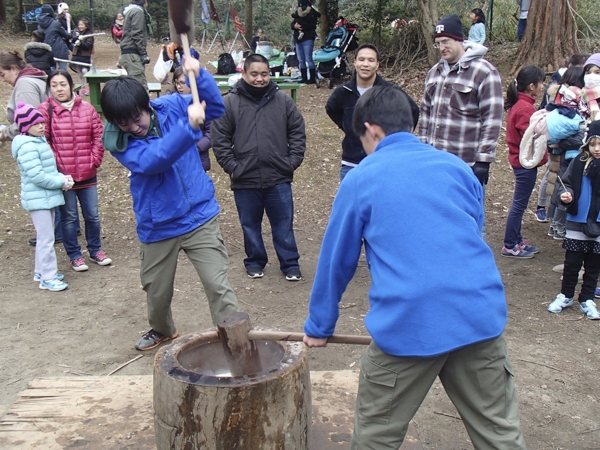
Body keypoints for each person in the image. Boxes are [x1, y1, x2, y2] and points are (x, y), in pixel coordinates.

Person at [303, 85, 527, 449]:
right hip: (479, 314)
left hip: (409, 324)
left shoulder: (361, 178)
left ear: (371, 130)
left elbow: (335, 261)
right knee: (500, 434)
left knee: (376, 435)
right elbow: (475, 234)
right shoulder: (457, 168)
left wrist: (319, 326)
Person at [100, 57, 239, 351]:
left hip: (199, 215)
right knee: (157, 290)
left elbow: (213, 109)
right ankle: (162, 329)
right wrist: (188, 128)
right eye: (124, 123)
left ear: (146, 106)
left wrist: (199, 76)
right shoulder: (118, 141)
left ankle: (233, 336)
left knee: (217, 283)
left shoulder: (172, 106)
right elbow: (154, 160)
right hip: (158, 224)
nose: (133, 127)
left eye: (137, 118)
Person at [212, 54, 305, 281]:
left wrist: (291, 161)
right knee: (250, 225)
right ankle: (255, 261)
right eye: (254, 74)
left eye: (264, 74)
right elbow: (220, 138)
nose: (259, 79)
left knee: (283, 224)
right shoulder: (230, 102)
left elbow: (297, 131)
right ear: (244, 73)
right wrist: (232, 167)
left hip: (278, 176)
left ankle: (290, 264)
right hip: (245, 176)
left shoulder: (283, 101)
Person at [419, 13, 503, 237]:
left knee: (471, 223)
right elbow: (425, 116)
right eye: (438, 44)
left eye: (446, 42)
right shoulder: (434, 73)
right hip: (435, 165)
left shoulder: (484, 72)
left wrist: (483, 160)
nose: (442, 48)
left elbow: (492, 118)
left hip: (465, 166)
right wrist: (422, 152)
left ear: (459, 40)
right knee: (435, 221)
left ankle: (474, 271)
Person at [38, 70, 111, 272]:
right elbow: (43, 141)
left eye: (63, 84)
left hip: (88, 171)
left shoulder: (87, 109)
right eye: (54, 85)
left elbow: (98, 136)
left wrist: (94, 160)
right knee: (69, 217)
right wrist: (56, 166)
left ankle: (95, 250)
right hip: (63, 176)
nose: (59, 89)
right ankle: (75, 255)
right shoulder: (45, 110)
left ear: (71, 85)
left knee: (92, 215)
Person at [325, 43, 419, 181]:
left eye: (371, 60)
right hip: (352, 162)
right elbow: (331, 109)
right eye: (361, 59)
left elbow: (413, 110)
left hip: (383, 160)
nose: (365, 64)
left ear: (377, 65)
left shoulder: (389, 91)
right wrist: (349, 127)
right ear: (355, 62)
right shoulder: (343, 92)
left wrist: (399, 135)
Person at [11, 102, 72, 292]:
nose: (41, 126)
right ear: (25, 127)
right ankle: (48, 277)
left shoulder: (38, 141)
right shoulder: (28, 147)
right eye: (36, 124)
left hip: (45, 197)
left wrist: (60, 178)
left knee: (45, 235)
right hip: (39, 199)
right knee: (46, 239)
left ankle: (40, 270)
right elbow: (37, 176)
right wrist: (60, 181)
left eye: (42, 123)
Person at [547, 120, 600, 320]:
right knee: (572, 262)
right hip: (577, 221)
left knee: (594, 265)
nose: (597, 149)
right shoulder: (579, 162)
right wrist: (565, 194)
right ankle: (566, 295)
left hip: (598, 223)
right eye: (593, 144)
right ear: (587, 144)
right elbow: (566, 184)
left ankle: (587, 299)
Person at [501, 65, 546, 258]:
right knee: (519, 204)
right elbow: (530, 137)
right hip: (524, 163)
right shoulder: (524, 108)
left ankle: (517, 239)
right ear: (531, 86)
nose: (543, 87)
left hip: (522, 161)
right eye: (541, 83)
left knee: (521, 202)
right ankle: (510, 244)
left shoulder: (521, 104)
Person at [172, 66, 212, 172]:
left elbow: (211, 133)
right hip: (176, 160)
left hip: (198, 160)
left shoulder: (203, 104)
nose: (179, 87)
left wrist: (196, 148)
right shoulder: (171, 103)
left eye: (183, 83)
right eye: (177, 83)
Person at [119, 0, 151, 90]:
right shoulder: (138, 11)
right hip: (132, 54)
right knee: (140, 88)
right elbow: (136, 34)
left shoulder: (131, 11)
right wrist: (143, 53)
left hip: (129, 53)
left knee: (134, 87)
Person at [291, 0, 320, 86]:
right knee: (300, 59)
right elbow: (292, 24)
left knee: (308, 58)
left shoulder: (312, 14)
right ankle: (303, 78)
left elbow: (312, 25)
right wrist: (295, 26)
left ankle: (312, 78)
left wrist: (301, 26)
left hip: (308, 38)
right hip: (298, 39)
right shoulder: (297, 13)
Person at [37, 4, 71, 71]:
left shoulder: (39, 26)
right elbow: (66, 35)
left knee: (51, 72)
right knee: (63, 71)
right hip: (59, 50)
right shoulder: (55, 23)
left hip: (47, 50)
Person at [70, 18, 94, 96]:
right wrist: (76, 38)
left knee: (85, 71)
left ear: (86, 26)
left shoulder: (89, 34)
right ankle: (83, 87)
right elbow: (72, 40)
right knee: (79, 72)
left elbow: (88, 46)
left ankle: (88, 87)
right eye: (79, 24)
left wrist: (80, 43)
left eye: (82, 24)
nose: (80, 26)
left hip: (85, 56)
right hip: (77, 55)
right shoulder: (76, 33)